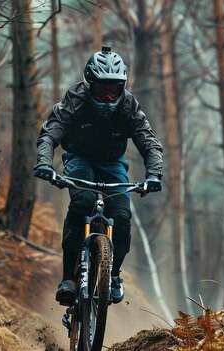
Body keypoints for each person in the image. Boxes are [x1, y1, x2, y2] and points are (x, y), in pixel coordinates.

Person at [33, 46, 164, 305]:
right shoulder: (74, 99)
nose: (107, 97)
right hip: (79, 159)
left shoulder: (129, 105)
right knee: (81, 204)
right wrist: (45, 164)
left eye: (113, 89)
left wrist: (154, 175)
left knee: (123, 218)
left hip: (112, 163)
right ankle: (68, 279)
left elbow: (149, 142)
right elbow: (50, 133)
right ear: (88, 85)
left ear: (122, 87)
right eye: (101, 90)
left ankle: (113, 274)